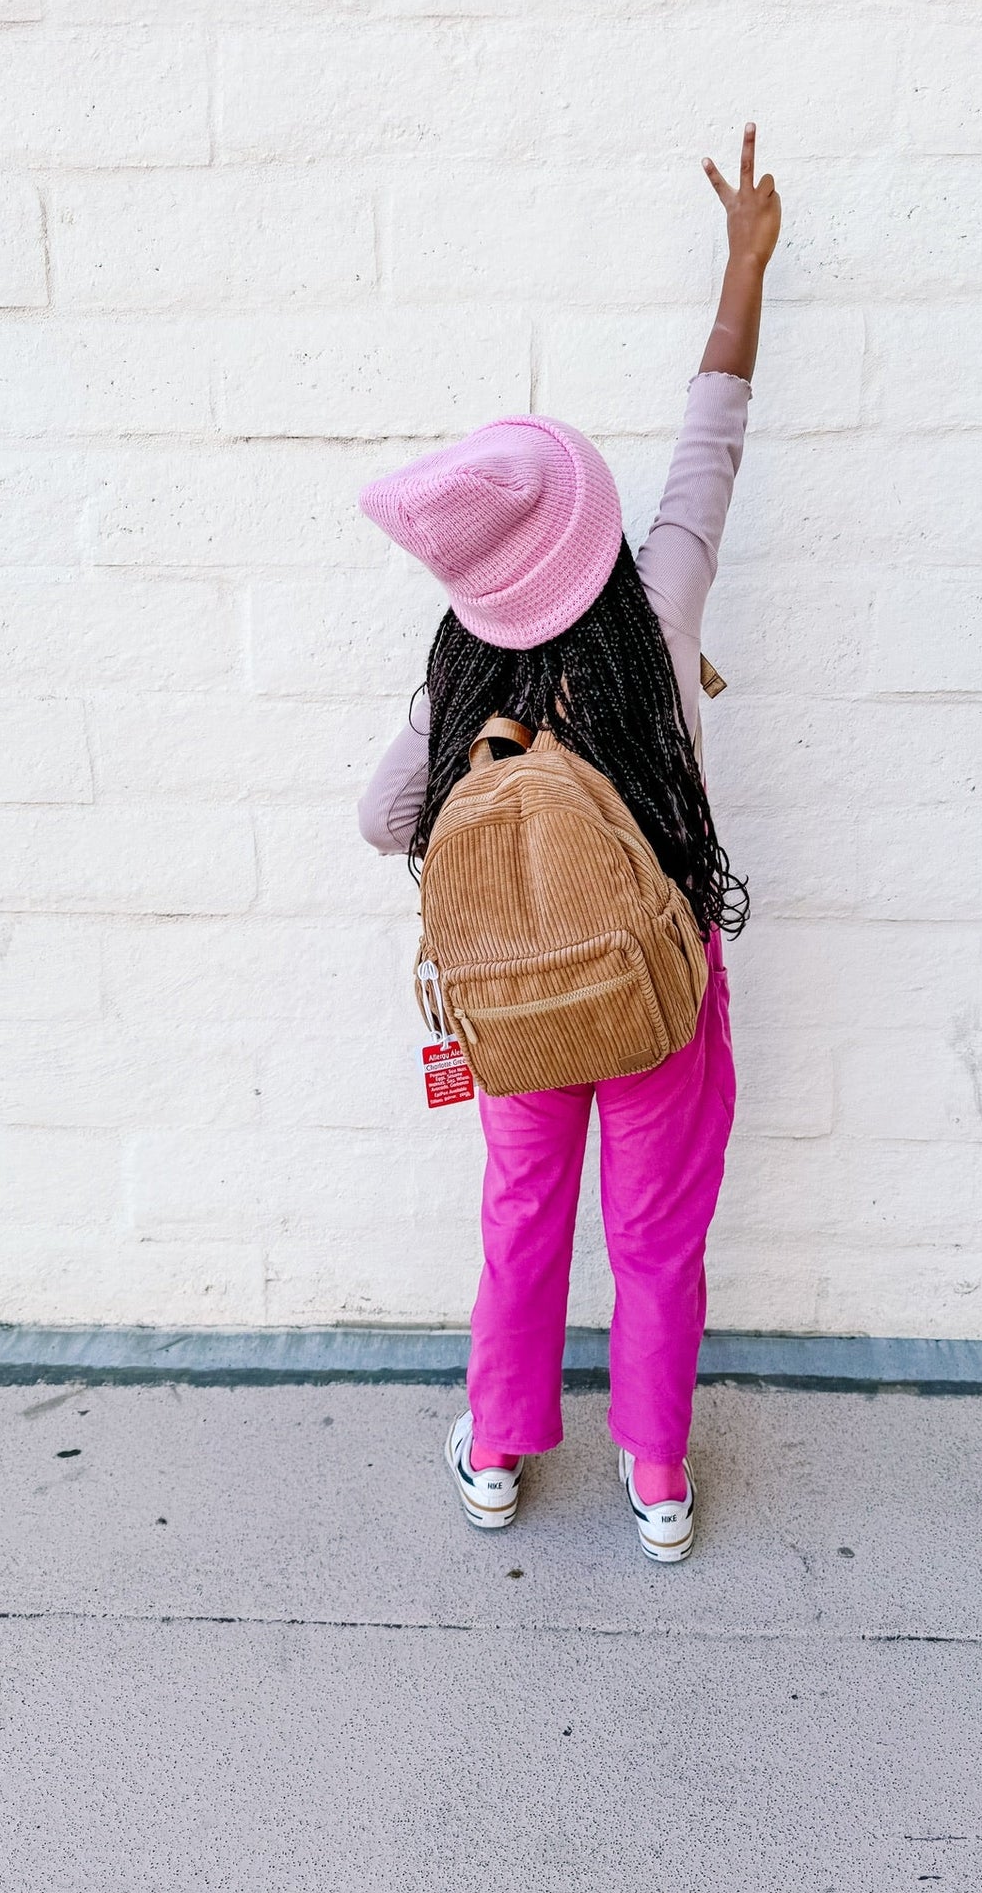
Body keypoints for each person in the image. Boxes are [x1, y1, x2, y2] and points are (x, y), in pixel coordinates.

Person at [357, 126, 782, 1562]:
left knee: (522, 1213)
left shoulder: (456, 683)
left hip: (516, 1005)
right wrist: (742, 268)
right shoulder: (657, 608)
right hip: (660, 989)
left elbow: (379, 821)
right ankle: (655, 1479)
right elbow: (711, 447)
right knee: (656, 1233)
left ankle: (491, 1452)